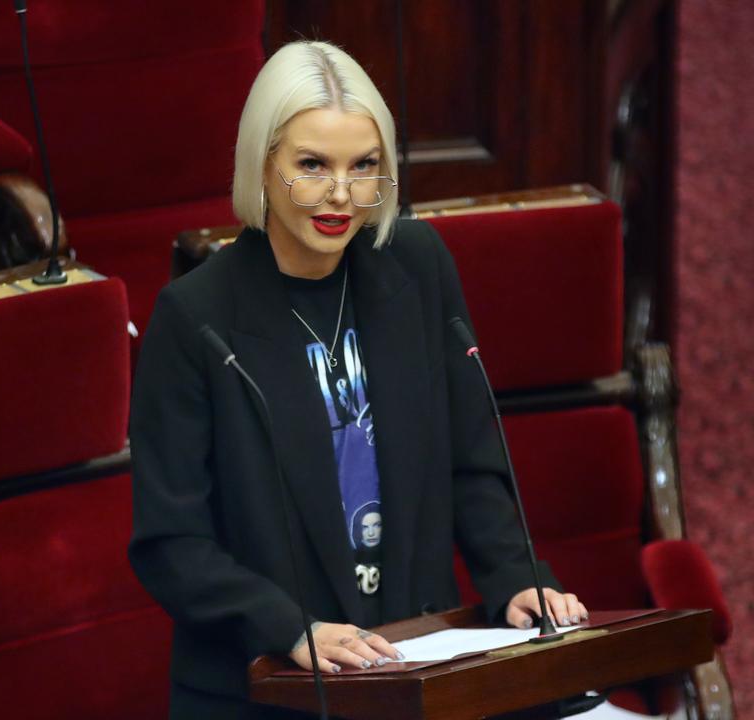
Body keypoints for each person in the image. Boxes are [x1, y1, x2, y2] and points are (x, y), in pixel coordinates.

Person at [129, 40, 587, 718]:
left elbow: (471, 459)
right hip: (268, 685)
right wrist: (287, 628)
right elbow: (171, 541)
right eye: (312, 165)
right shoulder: (196, 319)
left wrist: (514, 577)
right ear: (262, 164)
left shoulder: (416, 263)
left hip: (416, 660)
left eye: (363, 166)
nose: (341, 194)